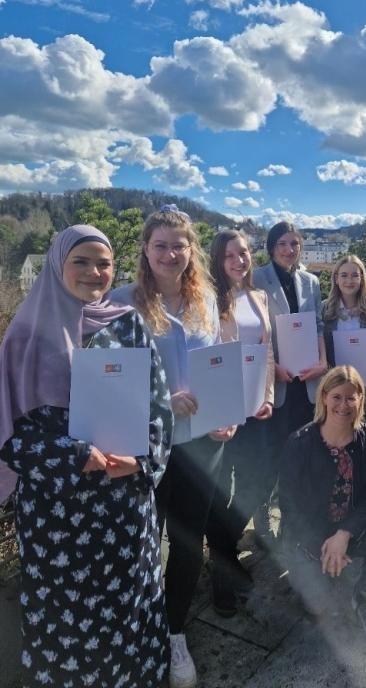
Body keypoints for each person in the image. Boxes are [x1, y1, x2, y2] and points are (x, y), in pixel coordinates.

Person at [0, 225, 173, 688]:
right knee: (66, 618)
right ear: (58, 264)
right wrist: (75, 455)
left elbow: (158, 409)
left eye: (104, 263)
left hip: (122, 506)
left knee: (129, 606)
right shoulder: (25, 335)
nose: (94, 272)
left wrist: (145, 457)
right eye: (81, 261)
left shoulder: (127, 323)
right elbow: (9, 437)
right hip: (59, 518)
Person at [112, 206, 235, 688]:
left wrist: (225, 413)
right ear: (145, 249)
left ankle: (175, 631)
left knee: (187, 544)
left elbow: (218, 366)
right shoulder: (122, 302)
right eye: (160, 245)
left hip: (202, 446)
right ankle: (140, 628)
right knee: (143, 545)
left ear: (191, 251)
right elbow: (109, 378)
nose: (169, 253)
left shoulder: (205, 298)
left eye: (178, 245)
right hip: (145, 447)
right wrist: (163, 400)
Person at [279, 366, 366, 640]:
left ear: (361, 399)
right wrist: (320, 548)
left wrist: (343, 536)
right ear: (324, 397)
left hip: (349, 529)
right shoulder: (299, 443)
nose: (343, 404)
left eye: (351, 397)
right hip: (308, 535)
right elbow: (288, 504)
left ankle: (364, 594)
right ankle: (320, 571)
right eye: (336, 396)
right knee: (317, 605)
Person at [204, 229, 275, 617]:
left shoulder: (259, 296)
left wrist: (267, 397)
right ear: (218, 259)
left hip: (255, 409)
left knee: (256, 481)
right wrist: (217, 408)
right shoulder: (208, 299)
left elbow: (268, 352)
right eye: (230, 254)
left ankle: (223, 553)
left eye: (244, 252)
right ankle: (222, 574)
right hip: (222, 413)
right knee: (218, 491)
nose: (239, 260)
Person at [252, 221, 328, 538]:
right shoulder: (256, 278)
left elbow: (319, 326)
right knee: (270, 455)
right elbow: (252, 329)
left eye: (294, 244)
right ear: (271, 247)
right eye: (283, 244)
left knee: (301, 454)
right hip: (276, 382)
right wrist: (273, 367)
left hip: (307, 382)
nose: (289, 250)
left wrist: (323, 361)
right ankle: (262, 514)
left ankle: (292, 522)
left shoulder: (310, 281)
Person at [322, 254, 366, 431]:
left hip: (365, 390)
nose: (349, 280)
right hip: (334, 389)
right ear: (336, 279)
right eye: (343, 275)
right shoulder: (324, 310)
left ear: (362, 278)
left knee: (362, 439)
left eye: (354, 275)